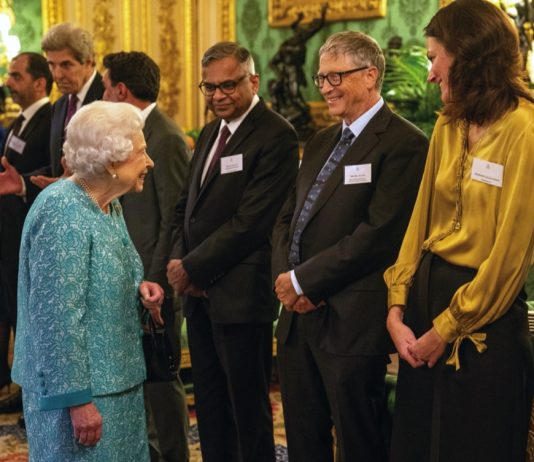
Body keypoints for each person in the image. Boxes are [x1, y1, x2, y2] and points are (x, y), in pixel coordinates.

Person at [384, 1, 534, 461]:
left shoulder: (525, 131)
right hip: (425, 312)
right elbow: (420, 220)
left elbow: (509, 257)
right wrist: (397, 305)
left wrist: (447, 327)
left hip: (481, 327)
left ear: (468, 55)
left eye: (433, 58)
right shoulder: (449, 124)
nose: (429, 73)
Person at [272, 31, 428, 462]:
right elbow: (288, 217)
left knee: (360, 444)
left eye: (335, 76)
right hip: (297, 321)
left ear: (370, 75)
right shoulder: (321, 140)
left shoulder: (405, 143)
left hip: (351, 322)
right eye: (321, 78)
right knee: (304, 439)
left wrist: (305, 281)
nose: (324, 87)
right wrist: (287, 282)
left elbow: (378, 235)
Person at [167, 42, 299, 462]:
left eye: (228, 85)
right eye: (209, 88)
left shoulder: (277, 133)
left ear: (252, 81)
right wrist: (176, 261)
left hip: (241, 295)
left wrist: (191, 267)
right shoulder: (209, 132)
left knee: (247, 411)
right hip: (200, 296)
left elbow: (251, 223)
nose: (218, 95)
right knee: (209, 407)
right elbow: (186, 206)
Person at [11, 101, 163, 461]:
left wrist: (140, 290)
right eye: (141, 152)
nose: (149, 161)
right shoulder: (63, 212)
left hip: (116, 385)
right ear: (112, 163)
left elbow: (105, 276)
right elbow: (57, 317)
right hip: (81, 398)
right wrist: (77, 400)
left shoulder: (107, 204)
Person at [102, 50, 191, 462]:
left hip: (154, 285)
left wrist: (154, 282)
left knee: (161, 378)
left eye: (105, 87)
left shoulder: (166, 136)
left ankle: (173, 456)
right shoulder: (130, 134)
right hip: (133, 280)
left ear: (121, 89)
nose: (103, 94)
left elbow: (174, 218)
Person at [0, 52, 52, 412]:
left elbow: (42, 173)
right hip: (10, 233)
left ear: (38, 82)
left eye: (16, 76)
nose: (8, 83)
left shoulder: (48, 119)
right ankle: (24, 384)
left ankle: (38, 388)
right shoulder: (20, 121)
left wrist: (21, 185)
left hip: (29, 230)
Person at [32, 22, 104, 189]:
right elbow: (60, 167)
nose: (57, 75)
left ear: (89, 62)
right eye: (51, 65)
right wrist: (22, 182)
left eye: (66, 65)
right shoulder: (59, 105)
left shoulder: (108, 100)